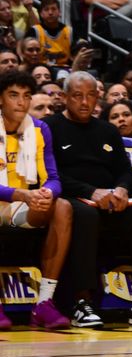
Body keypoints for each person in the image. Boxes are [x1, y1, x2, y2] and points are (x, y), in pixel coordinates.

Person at [44, 72, 132, 328]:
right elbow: (51, 174)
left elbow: (124, 170)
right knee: (85, 215)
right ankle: (82, 301)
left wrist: (123, 188)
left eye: (90, 95)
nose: (84, 102)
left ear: (98, 98)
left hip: (110, 199)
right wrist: (91, 192)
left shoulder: (107, 130)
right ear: (65, 97)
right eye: (78, 96)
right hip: (72, 199)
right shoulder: (50, 127)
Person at [0, 71, 72, 329]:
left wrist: (47, 194)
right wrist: (22, 195)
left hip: (18, 205)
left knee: (62, 206)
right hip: (11, 199)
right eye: (13, 95)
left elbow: (53, 178)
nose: (21, 102)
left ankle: (44, 303)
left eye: (27, 96)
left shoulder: (40, 129)